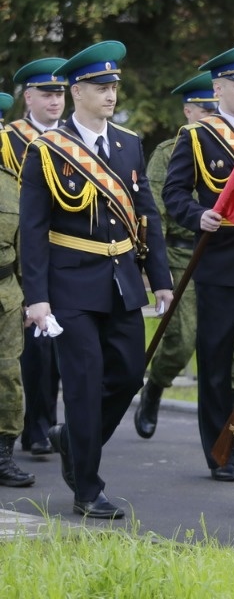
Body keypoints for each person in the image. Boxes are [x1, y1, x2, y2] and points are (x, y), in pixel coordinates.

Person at [19, 41, 174, 518]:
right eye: (101, 87)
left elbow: (145, 213)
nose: (111, 94)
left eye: (114, 86)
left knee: (127, 375)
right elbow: (33, 229)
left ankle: (73, 440)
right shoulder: (47, 150)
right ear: (77, 90)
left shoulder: (128, 143)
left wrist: (160, 277)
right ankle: (88, 487)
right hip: (70, 288)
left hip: (123, 281)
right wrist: (38, 299)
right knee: (84, 385)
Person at [163, 44, 234, 482]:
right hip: (220, 266)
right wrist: (198, 215)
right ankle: (221, 451)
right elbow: (175, 194)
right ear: (218, 89)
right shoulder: (196, 136)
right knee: (214, 363)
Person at [135, 72, 234, 440]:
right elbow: (155, 213)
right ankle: (156, 385)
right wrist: (157, 273)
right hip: (180, 256)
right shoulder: (170, 152)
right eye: (204, 110)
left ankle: (231, 433)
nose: (210, 117)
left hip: (228, 259)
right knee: (183, 339)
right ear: (189, 112)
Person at [1, 58, 67, 457]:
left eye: (59, 93)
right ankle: (34, 426)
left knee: (64, 342)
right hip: (27, 250)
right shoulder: (11, 140)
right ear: (28, 97)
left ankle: (55, 421)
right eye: (46, 93)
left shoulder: (72, 138)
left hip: (69, 251)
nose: (55, 100)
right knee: (34, 347)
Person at [0, 92, 35, 488]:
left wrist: (30, 294)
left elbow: (26, 242)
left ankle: (3, 453)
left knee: (9, 373)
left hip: (7, 292)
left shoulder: (12, 182)